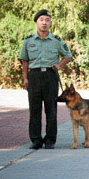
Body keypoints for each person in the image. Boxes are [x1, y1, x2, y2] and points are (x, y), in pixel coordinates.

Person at [19, 10, 72, 149]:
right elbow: (24, 60)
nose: (44, 22)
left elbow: (68, 55)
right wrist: (25, 78)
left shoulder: (56, 41)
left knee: (51, 109)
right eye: (41, 19)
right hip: (34, 76)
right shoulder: (28, 40)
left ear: (50, 22)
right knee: (35, 109)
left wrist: (59, 65)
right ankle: (36, 140)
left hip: (50, 76)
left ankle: (50, 139)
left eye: (47, 20)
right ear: (36, 22)